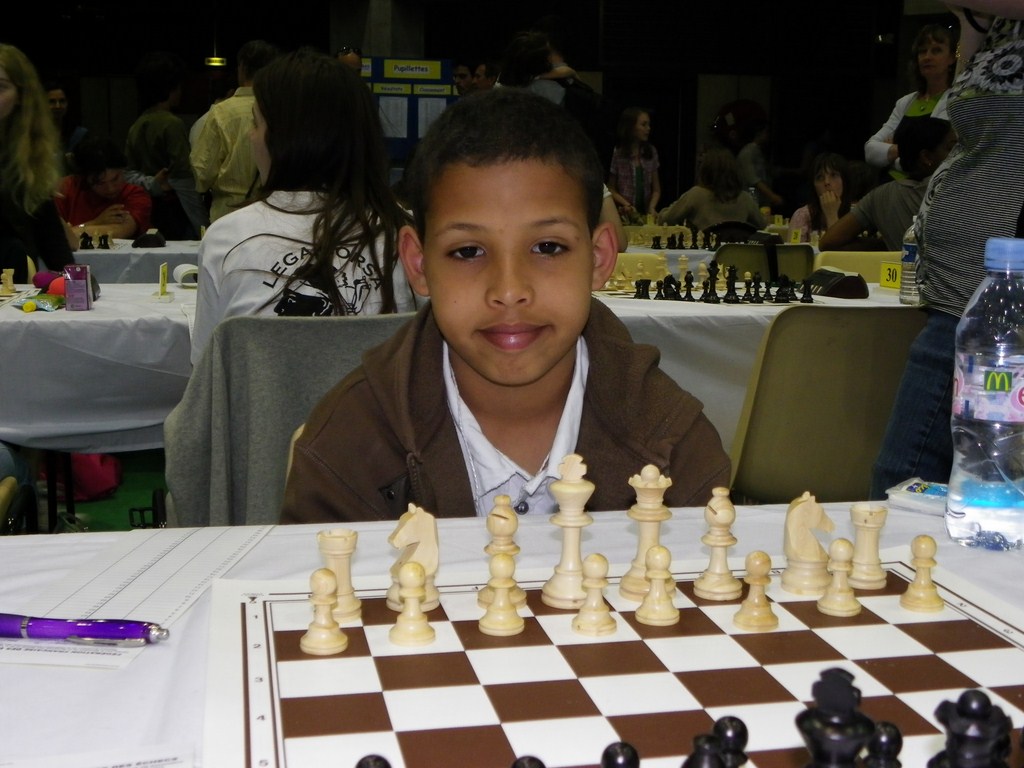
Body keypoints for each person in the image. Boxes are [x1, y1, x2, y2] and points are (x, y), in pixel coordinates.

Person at [280, 87, 730, 524]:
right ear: (418, 263)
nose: (509, 290)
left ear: (598, 258)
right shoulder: (346, 448)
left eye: (548, 247)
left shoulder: (675, 445)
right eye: (468, 251)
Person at [870, 3, 1024, 500]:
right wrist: (970, 27)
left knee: (905, 482)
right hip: (960, 292)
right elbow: (964, 127)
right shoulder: (997, 23)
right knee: (912, 487)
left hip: (999, 301)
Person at [190, 49, 418, 365]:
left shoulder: (228, 238)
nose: (250, 136)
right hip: (380, 398)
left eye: (256, 123)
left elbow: (206, 372)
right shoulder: (406, 230)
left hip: (265, 400)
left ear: (285, 139)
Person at [819, 118, 955, 252]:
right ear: (926, 157)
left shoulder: (879, 197)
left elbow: (829, 242)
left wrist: (889, 245)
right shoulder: (954, 189)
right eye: (952, 148)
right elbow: (829, 243)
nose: (961, 154)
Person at [0, 44, 74, 282]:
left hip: (12, 286)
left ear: (21, 96)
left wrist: (76, 285)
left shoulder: (28, 156)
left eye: (1, 87)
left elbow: (49, 233)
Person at [191, 40, 280, 223]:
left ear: (242, 68)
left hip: (228, 215)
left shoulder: (221, 113)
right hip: (273, 214)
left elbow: (202, 175)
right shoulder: (284, 112)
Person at [125, 51, 205, 240]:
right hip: (174, 210)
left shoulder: (137, 125)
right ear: (171, 88)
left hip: (147, 209)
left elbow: (127, 173)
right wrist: (202, 225)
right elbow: (184, 178)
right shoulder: (172, 124)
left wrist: (150, 183)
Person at [864, 23, 958, 176]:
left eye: (936, 50)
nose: (927, 57)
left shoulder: (955, 101)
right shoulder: (905, 102)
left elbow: (933, 161)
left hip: (924, 187)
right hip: (889, 183)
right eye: (922, 51)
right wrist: (909, 152)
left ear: (952, 58)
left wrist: (890, 153)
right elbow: (870, 151)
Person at [56, 135, 152, 240]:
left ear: (123, 170)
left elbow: (121, 231)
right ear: (85, 178)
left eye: (115, 179)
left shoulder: (134, 195)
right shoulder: (66, 189)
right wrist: (95, 222)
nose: (110, 189)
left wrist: (71, 231)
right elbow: (52, 236)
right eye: (99, 183)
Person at [656, 146, 765, 232]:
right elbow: (763, 225)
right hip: (736, 253)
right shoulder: (745, 198)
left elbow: (666, 220)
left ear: (705, 170)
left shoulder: (696, 194)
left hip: (703, 252)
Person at [607, 106, 661, 223]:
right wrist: (626, 204)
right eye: (643, 125)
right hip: (625, 216)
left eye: (649, 124)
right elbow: (611, 188)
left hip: (645, 216)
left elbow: (656, 189)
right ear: (631, 127)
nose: (648, 128)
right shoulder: (619, 153)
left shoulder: (651, 152)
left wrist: (652, 207)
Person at [787, 153, 852, 243]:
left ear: (845, 181)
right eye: (820, 177)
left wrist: (831, 215)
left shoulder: (855, 214)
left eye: (833, 175)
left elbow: (841, 251)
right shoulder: (801, 216)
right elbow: (794, 251)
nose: (827, 182)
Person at [736, 118, 784, 212]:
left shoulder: (758, 151)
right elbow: (754, 179)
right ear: (759, 133)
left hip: (761, 201)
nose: (768, 135)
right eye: (766, 132)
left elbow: (769, 171)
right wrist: (773, 196)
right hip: (751, 199)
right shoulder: (747, 152)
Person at [45, 79, 87, 172]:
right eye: (52, 102)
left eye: (62, 101)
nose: (58, 106)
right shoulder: (34, 134)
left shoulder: (78, 135)